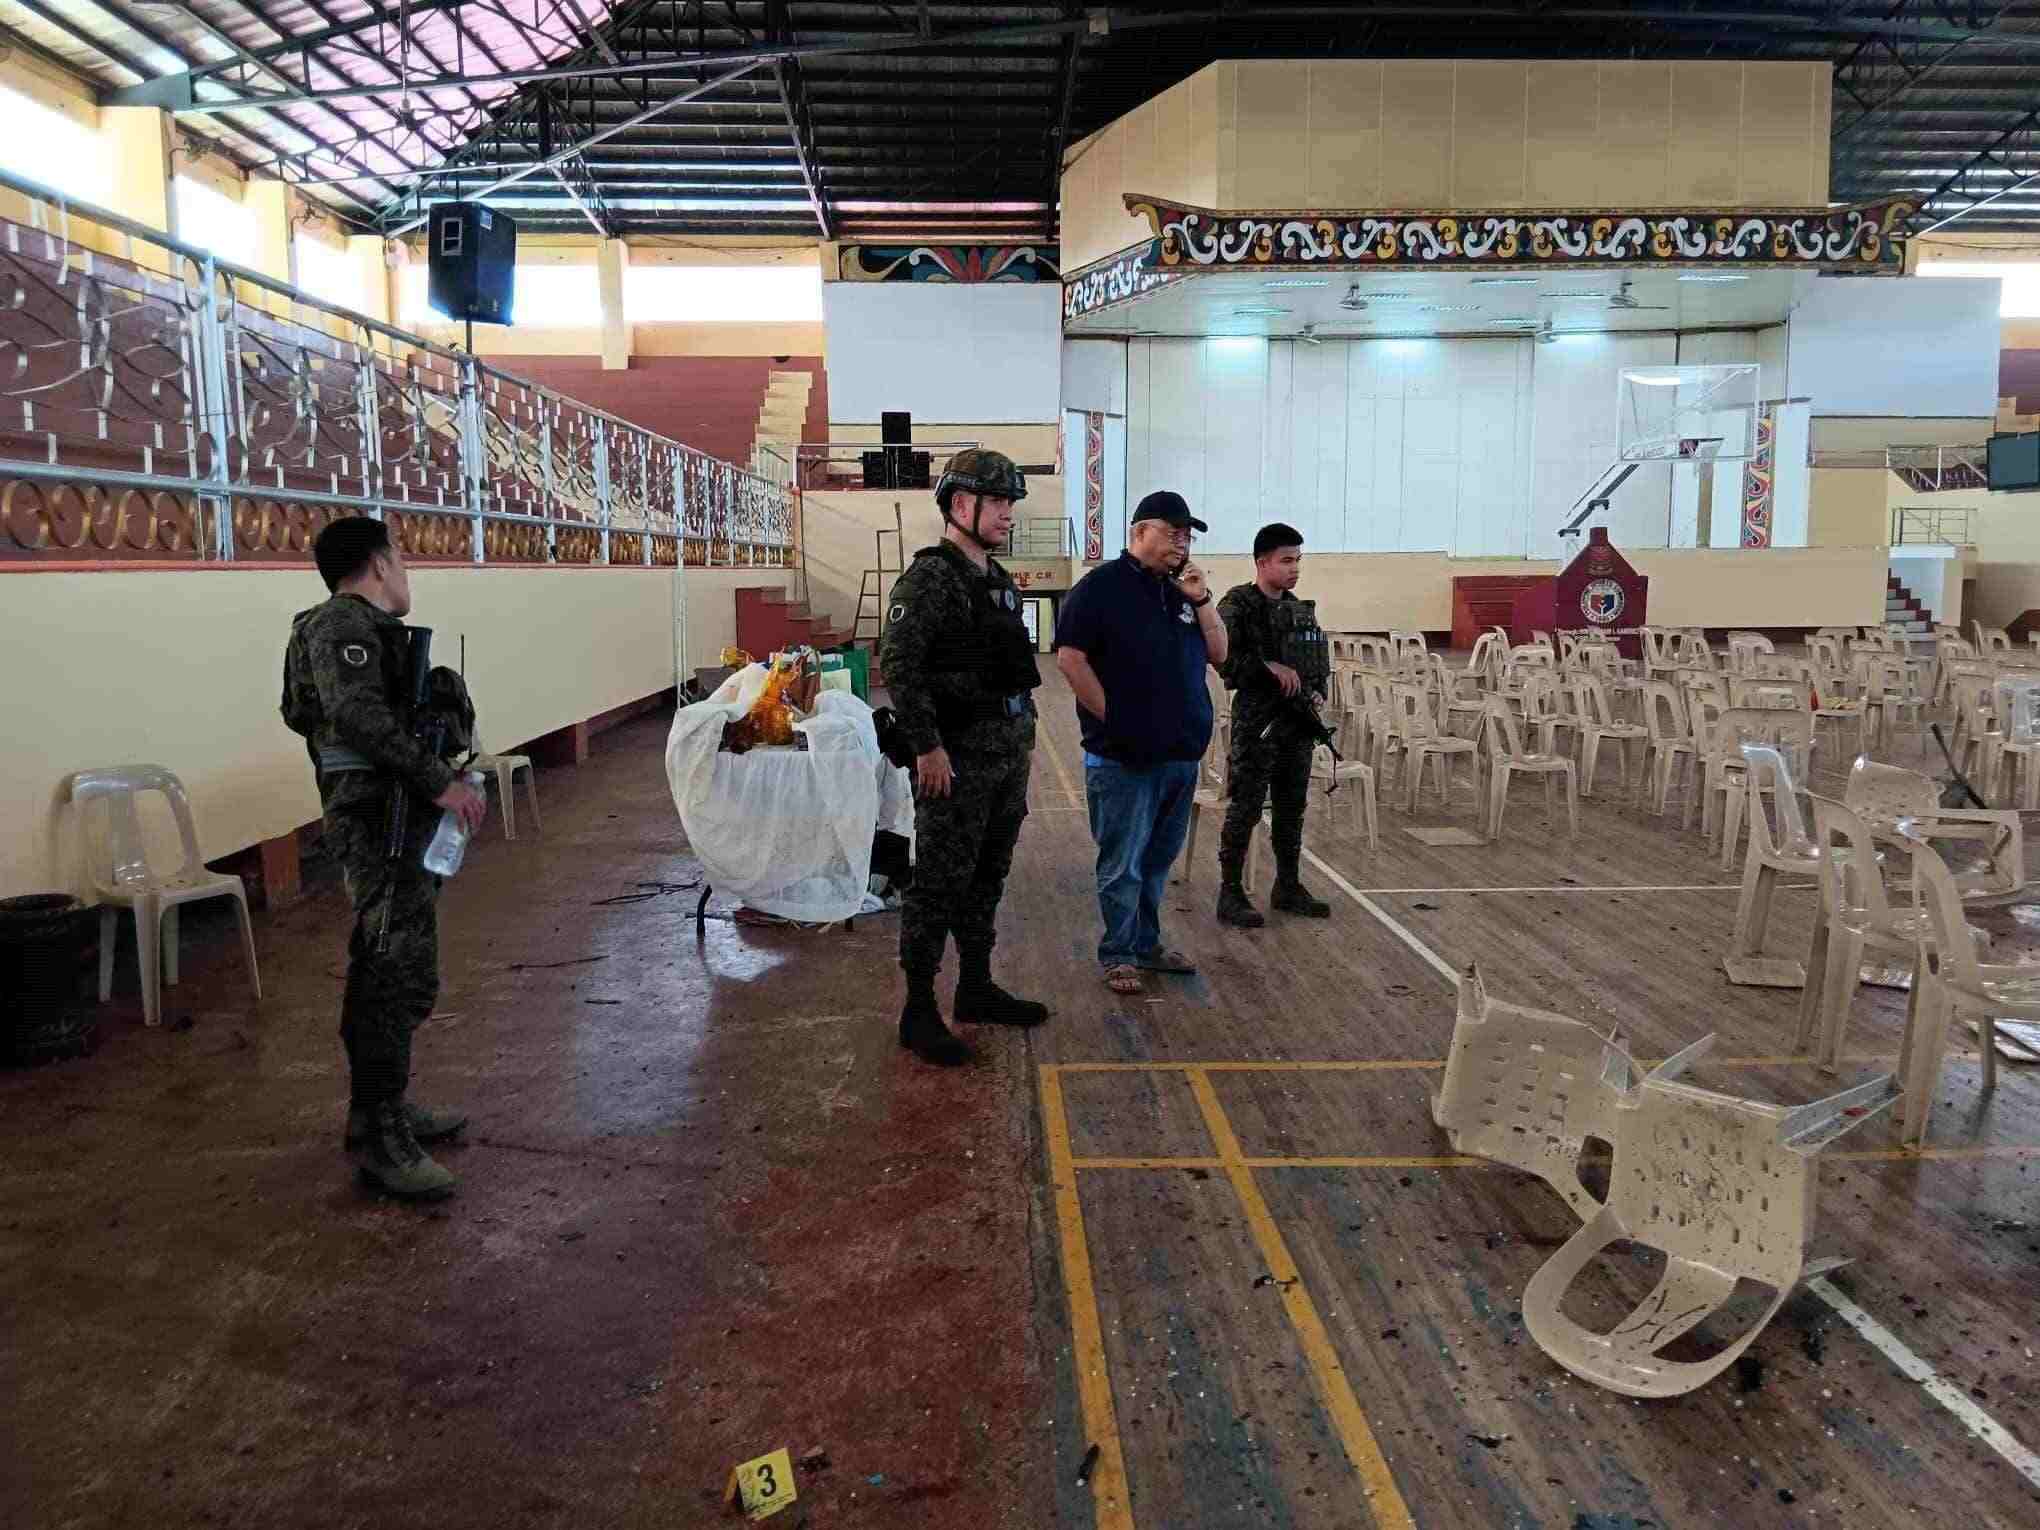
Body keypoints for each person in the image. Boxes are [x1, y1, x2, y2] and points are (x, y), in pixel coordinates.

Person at [280, 517, 488, 1199]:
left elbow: (308, 713)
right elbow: (356, 716)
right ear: (377, 563)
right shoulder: (342, 623)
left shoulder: (351, 630)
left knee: (381, 965)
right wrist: (437, 780)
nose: (405, 573)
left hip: (388, 813)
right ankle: (381, 1137)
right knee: (396, 971)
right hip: (378, 821)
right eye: (400, 558)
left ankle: (377, 1110)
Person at [878, 449, 1048, 1066]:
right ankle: (919, 1009)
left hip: (1005, 756)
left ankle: (975, 986)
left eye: (1010, 502)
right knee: (939, 883)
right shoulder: (930, 579)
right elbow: (900, 666)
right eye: (997, 501)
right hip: (955, 761)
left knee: (987, 876)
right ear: (959, 505)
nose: (1008, 514)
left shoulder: (995, 579)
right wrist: (927, 745)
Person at [1054, 491, 1227, 995]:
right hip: (1123, 758)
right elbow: (1070, 659)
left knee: (1156, 862)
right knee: (1122, 863)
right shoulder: (1099, 588)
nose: (1182, 543)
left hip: (1180, 754)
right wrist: (1117, 720)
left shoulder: (1182, 593)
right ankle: (1119, 953)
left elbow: (1220, 653)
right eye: (1173, 533)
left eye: (1187, 536)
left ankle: (1147, 944)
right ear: (1139, 533)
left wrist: (1201, 599)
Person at [1215, 523, 1334, 926]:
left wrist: (1317, 692)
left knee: (1291, 808)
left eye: (1298, 560)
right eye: (1286, 560)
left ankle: (1287, 886)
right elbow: (1224, 659)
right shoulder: (1238, 605)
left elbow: (1314, 661)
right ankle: (1230, 891)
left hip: (1296, 723)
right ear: (1262, 562)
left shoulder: (1300, 610)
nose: (1294, 568)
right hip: (1257, 723)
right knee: (1246, 807)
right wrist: (1268, 667)